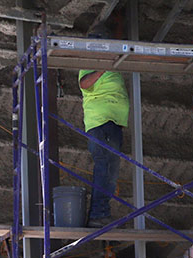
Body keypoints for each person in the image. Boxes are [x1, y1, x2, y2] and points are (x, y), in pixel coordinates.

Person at [79, 23, 129, 228]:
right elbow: (84, 83)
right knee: (104, 167)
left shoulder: (112, 62)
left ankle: (101, 212)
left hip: (114, 123)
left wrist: (118, 20)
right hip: (101, 123)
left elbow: (118, 44)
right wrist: (102, 69)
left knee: (111, 170)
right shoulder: (90, 64)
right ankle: (98, 214)